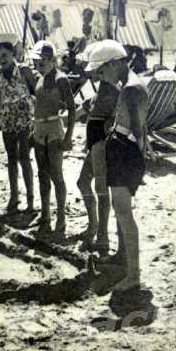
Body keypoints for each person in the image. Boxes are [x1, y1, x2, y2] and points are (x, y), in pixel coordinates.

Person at [84, 39, 149, 291]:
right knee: (122, 212)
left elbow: (138, 129)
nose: (101, 76)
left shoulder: (131, 89)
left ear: (114, 64)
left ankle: (133, 275)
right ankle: (124, 259)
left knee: (123, 213)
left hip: (125, 151)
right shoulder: (130, 85)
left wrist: (137, 160)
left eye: (102, 71)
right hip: (123, 149)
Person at [0, 33, 36, 214]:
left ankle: (31, 198)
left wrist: (39, 116)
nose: (1, 60)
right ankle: (14, 196)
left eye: (4, 55)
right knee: (11, 159)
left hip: (25, 118)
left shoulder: (25, 71)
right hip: (8, 119)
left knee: (24, 158)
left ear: (11, 53)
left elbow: (36, 92)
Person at [31, 41, 75, 237]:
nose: (38, 67)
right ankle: (45, 215)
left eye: (41, 63)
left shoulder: (61, 79)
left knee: (57, 175)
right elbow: (38, 106)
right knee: (42, 174)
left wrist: (68, 136)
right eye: (36, 63)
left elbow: (73, 108)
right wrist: (33, 131)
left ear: (51, 60)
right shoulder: (40, 79)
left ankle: (61, 218)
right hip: (39, 127)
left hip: (54, 128)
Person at [77, 58, 120, 256]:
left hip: (101, 142)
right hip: (94, 141)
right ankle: (94, 226)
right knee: (83, 182)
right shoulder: (103, 87)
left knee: (100, 189)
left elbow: (114, 115)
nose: (93, 73)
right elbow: (89, 105)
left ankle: (102, 236)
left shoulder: (114, 89)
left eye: (96, 70)